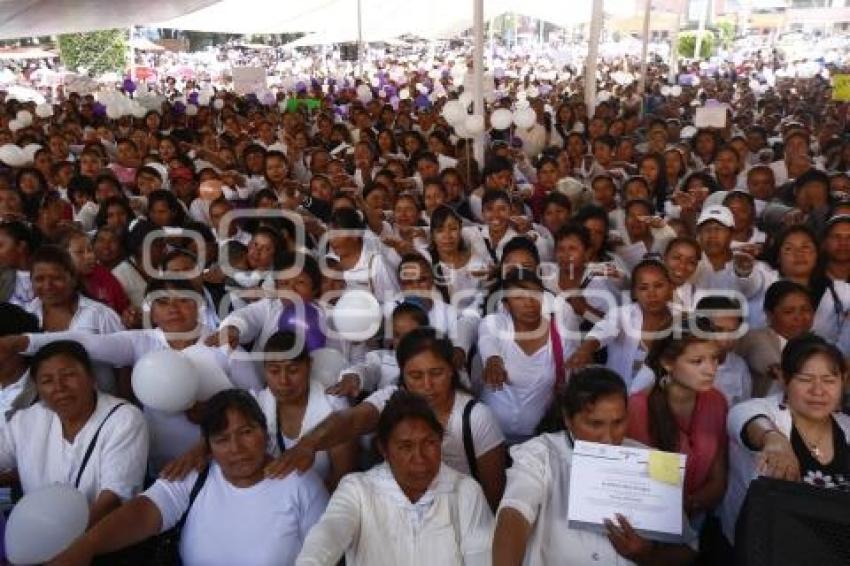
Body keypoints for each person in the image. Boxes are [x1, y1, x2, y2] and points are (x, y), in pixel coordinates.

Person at [50, 389, 328, 566]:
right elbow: (141, 514)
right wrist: (86, 546)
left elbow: (324, 556)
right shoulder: (194, 476)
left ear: (264, 434)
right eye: (222, 439)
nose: (236, 449)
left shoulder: (302, 484)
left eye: (246, 433)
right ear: (207, 446)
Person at [269, 327, 506, 510]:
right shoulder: (393, 399)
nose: (427, 385)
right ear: (401, 375)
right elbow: (350, 421)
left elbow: (493, 498)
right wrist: (309, 443)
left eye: (436, 373)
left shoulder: (476, 418)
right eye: (415, 375)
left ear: (452, 370)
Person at [492, 366, 697, 565]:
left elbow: (688, 550)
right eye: (595, 424)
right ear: (568, 419)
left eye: (618, 422)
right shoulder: (539, 455)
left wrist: (648, 555)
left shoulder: (653, 461)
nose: (608, 438)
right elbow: (515, 512)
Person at [295, 389, 493, 565]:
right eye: (406, 447)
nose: (420, 458)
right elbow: (329, 533)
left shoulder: (465, 492)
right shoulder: (357, 490)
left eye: (429, 443)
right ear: (384, 449)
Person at [719, 333, 850, 543]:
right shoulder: (761, 411)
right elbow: (743, 419)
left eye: (829, 380)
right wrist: (774, 439)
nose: (818, 390)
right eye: (805, 379)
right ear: (784, 379)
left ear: (843, 382)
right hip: (768, 550)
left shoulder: (846, 427)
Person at [0, 341, 148, 527]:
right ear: (37, 388)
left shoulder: (124, 418)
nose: (59, 387)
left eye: (68, 375)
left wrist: (67, 543)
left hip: (99, 539)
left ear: (91, 378)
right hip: (40, 534)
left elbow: (114, 498)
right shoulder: (26, 420)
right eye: (47, 381)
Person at [627, 320, 729, 524]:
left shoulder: (716, 401)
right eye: (697, 361)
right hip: (649, 520)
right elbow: (644, 486)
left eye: (715, 359)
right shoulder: (639, 407)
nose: (710, 370)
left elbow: (718, 478)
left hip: (698, 520)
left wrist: (692, 505)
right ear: (667, 363)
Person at [478, 268, 575, 444]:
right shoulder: (496, 323)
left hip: (538, 439)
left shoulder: (560, 336)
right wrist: (493, 361)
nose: (529, 303)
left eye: (535, 295)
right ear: (506, 305)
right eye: (519, 297)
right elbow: (487, 339)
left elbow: (570, 379)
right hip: (488, 438)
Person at [566, 259, 676, 388]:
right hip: (620, 396)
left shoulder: (682, 318)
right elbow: (603, 330)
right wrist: (584, 350)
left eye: (658, 286)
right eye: (643, 288)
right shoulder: (622, 315)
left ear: (670, 288)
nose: (652, 294)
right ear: (634, 293)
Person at [736, 280, 815, 396]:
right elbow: (765, 356)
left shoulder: (818, 344)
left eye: (805, 310)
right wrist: (776, 369)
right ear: (769, 315)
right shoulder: (757, 337)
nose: (799, 317)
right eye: (789, 312)